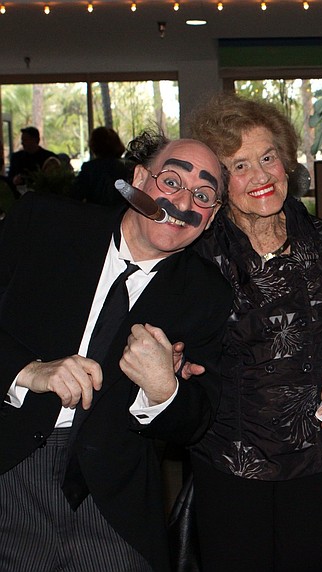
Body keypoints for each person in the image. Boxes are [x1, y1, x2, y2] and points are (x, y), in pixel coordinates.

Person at [0, 131, 231, 571]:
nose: (183, 203)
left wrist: (164, 390)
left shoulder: (207, 294)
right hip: (10, 466)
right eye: (172, 181)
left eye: (203, 195)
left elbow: (198, 418)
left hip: (110, 497)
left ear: (213, 214)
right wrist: (27, 371)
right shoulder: (43, 224)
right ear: (141, 178)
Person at [188, 92, 322, 572]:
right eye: (240, 166)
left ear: (287, 162)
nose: (261, 176)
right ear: (220, 182)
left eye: (268, 157)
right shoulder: (201, 256)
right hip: (231, 458)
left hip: (317, 455)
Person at [72, 126, 133, 206]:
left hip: (97, 215)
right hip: (124, 214)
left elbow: (75, 195)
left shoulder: (90, 168)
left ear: (94, 145)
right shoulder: (130, 166)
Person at [7, 126, 57, 191]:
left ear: (36, 140)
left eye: (25, 140)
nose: (22, 143)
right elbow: (9, 177)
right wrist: (14, 180)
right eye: (22, 140)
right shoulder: (16, 157)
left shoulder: (49, 157)